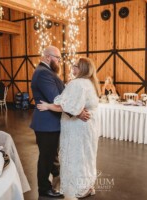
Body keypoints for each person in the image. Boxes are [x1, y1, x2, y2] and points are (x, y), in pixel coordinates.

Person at [30, 46, 90, 198]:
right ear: (48, 57)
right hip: (47, 123)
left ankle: (57, 175)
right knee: (46, 157)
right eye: (57, 58)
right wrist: (78, 112)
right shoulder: (43, 73)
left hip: (50, 122)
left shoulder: (46, 72)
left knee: (51, 155)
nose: (59, 61)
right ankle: (44, 188)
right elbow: (57, 98)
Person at [37, 57, 101, 199]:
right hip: (90, 126)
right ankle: (87, 185)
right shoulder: (92, 83)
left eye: (75, 65)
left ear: (82, 68)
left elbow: (64, 106)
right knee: (87, 156)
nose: (72, 67)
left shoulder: (77, 83)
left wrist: (47, 105)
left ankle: (76, 188)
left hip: (77, 127)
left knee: (76, 155)